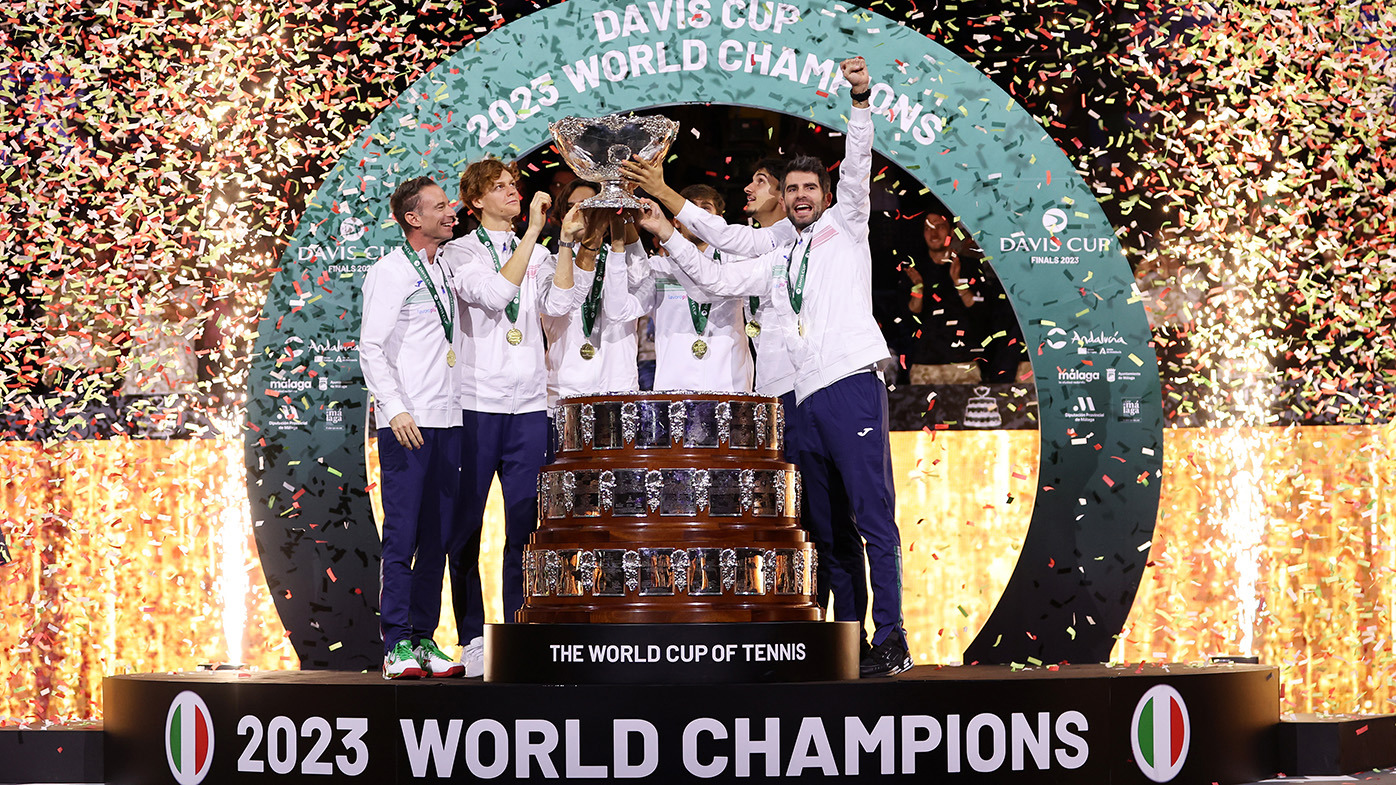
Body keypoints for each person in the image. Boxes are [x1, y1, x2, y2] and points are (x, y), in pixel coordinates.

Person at [634, 56, 913, 677]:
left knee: (872, 520)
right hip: (806, 403)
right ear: (783, 201)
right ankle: (850, 641)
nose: (800, 198)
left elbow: (860, 162)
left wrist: (861, 100)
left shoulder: (848, 228)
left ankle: (893, 638)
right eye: (791, 191)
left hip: (849, 384)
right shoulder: (779, 258)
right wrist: (667, 223)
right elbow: (713, 271)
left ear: (827, 195)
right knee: (829, 530)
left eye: (809, 189)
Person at [623, 145, 869, 656]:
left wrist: (666, 199)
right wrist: (660, 227)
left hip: (812, 387)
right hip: (771, 395)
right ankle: (801, 624)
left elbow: (726, 240)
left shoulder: (786, 239)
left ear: (797, 196)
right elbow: (715, 266)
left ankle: (852, 634)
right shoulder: (771, 249)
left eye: (763, 181)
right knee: (793, 522)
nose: (750, 190)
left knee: (834, 522)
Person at [441, 158, 594, 675]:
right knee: (463, 529)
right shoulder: (458, 252)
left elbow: (562, 305)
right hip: (476, 405)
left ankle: (518, 630)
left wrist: (566, 244)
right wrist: (532, 233)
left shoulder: (542, 252)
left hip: (529, 406)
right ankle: (471, 637)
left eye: (514, 185)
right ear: (476, 201)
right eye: (500, 188)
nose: (513, 192)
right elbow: (493, 294)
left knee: (525, 528)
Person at [359, 175, 466, 680]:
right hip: (408, 423)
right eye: (440, 207)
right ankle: (395, 643)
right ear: (412, 218)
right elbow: (371, 347)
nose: (452, 213)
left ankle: (423, 639)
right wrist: (394, 408)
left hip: (448, 419)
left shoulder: (441, 267)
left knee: (437, 536)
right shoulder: (390, 272)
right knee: (402, 535)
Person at [541, 197, 649, 458]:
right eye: (579, 206)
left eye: (596, 209)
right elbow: (560, 303)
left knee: (621, 492)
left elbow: (640, 276)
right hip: (566, 395)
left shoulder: (621, 260)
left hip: (619, 391)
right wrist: (592, 238)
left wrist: (622, 226)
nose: (587, 215)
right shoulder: (550, 263)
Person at [632, 185, 753, 392]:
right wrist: (628, 231)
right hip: (673, 389)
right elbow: (627, 309)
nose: (696, 218)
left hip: (730, 385)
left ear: (719, 220)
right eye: (689, 209)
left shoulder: (737, 262)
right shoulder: (659, 268)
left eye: (705, 209)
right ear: (676, 221)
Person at [904, 212, 989, 384]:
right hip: (925, 365)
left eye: (940, 227)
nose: (934, 234)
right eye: (928, 228)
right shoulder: (914, 270)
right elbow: (910, 315)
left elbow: (981, 313)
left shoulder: (970, 266)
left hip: (964, 364)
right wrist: (918, 287)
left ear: (951, 231)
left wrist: (959, 283)